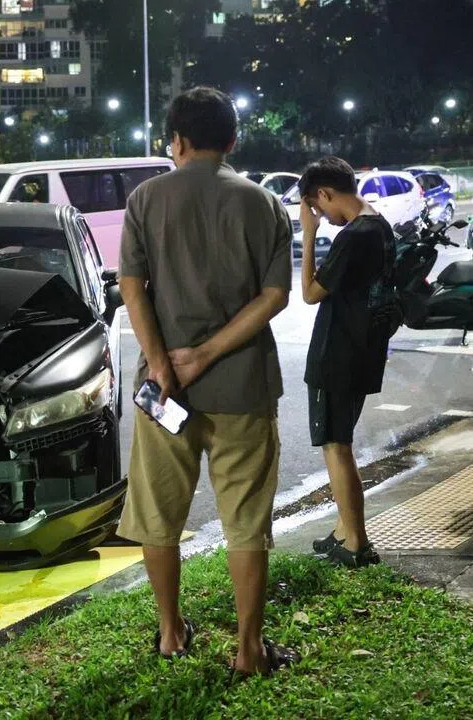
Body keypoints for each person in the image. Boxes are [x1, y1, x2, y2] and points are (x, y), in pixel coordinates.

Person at [117, 87, 297, 676]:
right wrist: (210, 353)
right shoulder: (264, 203)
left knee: (158, 516)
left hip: (166, 393)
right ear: (232, 142)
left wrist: (165, 364)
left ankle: (171, 634)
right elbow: (275, 295)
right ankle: (248, 650)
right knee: (246, 521)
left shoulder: (146, 199)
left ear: (177, 141)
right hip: (243, 387)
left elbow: (132, 286)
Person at [298, 157, 396, 568]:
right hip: (363, 351)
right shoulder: (381, 227)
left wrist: (308, 236)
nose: (321, 216)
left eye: (318, 208)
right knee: (341, 442)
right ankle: (343, 529)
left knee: (337, 447)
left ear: (324, 193)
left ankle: (355, 541)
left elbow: (309, 293)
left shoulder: (353, 236)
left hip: (335, 355)